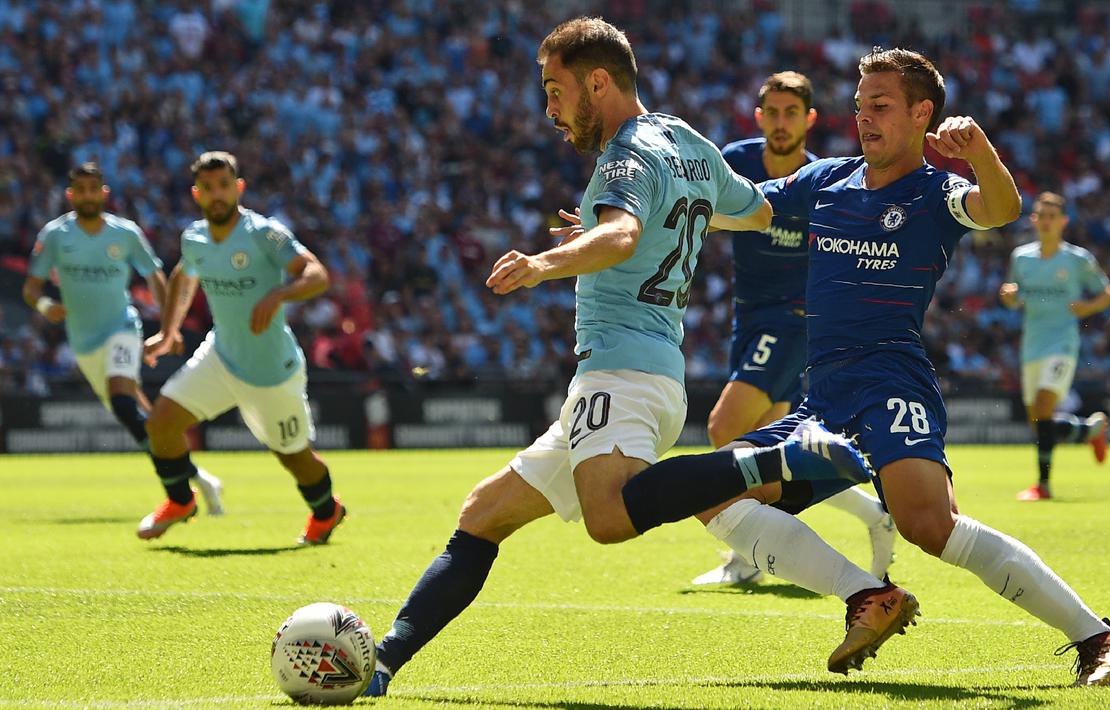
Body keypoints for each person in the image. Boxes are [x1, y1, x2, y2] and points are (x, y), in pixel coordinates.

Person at [364, 18, 877, 697]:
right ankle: (380, 664)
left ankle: (778, 457)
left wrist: (546, 260)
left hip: (623, 369)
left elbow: (625, 233)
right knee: (484, 512)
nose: (548, 108)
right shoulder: (686, 141)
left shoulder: (625, 157)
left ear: (597, 82)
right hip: (642, 369)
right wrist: (630, 228)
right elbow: (752, 212)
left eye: (555, 90)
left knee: (607, 519)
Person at [618, 47, 1110, 685]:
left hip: (891, 378)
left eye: (881, 107)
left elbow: (1001, 209)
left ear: (923, 114)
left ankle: (1099, 635)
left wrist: (979, 153)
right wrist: (642, 216)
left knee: (929, 524)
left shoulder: (934, 191)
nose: (864, 118)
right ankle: (869, 595)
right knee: (713, 495)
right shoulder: (827, 180)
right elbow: (746, 207)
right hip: (822, 394)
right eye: (860, 106)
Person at [697, 71, 895, 585]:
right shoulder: (734, 162)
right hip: (749, 315)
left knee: (723, 430)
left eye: (792, 113)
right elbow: (693, 204)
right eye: (772, 113)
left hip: (795, 321)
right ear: (758, 117)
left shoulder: (822, 181)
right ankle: (873, 513)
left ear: (809, 119)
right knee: (770, 453)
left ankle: (747, 555)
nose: (781, 123)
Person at [139, 151, 345, 545]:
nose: (217, 195)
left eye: (224, 186)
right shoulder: (194, 237)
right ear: (197, 193)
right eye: (209, 188)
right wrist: (168, 332)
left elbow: (317, 274)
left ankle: (327, 512)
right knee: (161, 422)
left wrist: (278, 295)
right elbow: (185, 277)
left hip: (271, 371)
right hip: (220, 356)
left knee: (293, 457)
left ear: (238, 188)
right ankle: (181, 501)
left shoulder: (264, 233)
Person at [23, 162, 223, 513]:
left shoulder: (125, 233)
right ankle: (198, 477)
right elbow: (30, 287)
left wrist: (168, 328)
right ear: (71, 195)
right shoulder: (55, 235)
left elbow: (156, 276)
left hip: (121, 329)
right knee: (139, 418)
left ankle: (179, 497)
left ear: (103, 193)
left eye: (92, 189)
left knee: (122, 401)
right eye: (80, 190)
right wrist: (44, 305)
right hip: (84, 344)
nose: (87, 196)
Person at [998, 191, 1110, 501]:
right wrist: (1008, 296)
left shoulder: (1077, 259)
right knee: (1039, 423)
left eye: (1053, 217)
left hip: (1062, 343)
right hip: (1031, 345)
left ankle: (1043, 486)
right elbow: (1013, 298)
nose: (1047, 222)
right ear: (1034, 220)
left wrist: (1088, 308)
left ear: (1063, 221)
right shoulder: (1021, 257)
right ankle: (1088, 430)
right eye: (1042, 216)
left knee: (1044, 407)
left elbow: (1107, 293)